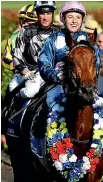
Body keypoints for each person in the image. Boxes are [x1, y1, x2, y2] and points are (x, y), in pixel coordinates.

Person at [5, 1, 60, 182]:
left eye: (49, 13)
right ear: (37, 14)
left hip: (52, 75)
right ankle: (9, 125)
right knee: (18, 90)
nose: (45, 16)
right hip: (29, 73)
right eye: (42, 13)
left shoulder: (60, 33)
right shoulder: (26, 32)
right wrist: (26, 72)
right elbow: (17, 57)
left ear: (53, 14)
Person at [1, 4, 38, 150]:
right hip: (21, 75)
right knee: (10, 89)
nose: (27, 24)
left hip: (39, 74)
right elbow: (7, 59)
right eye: (25, 21)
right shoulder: (13, 38)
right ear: (21, 22)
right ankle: (5, 123)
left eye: (31, 22)